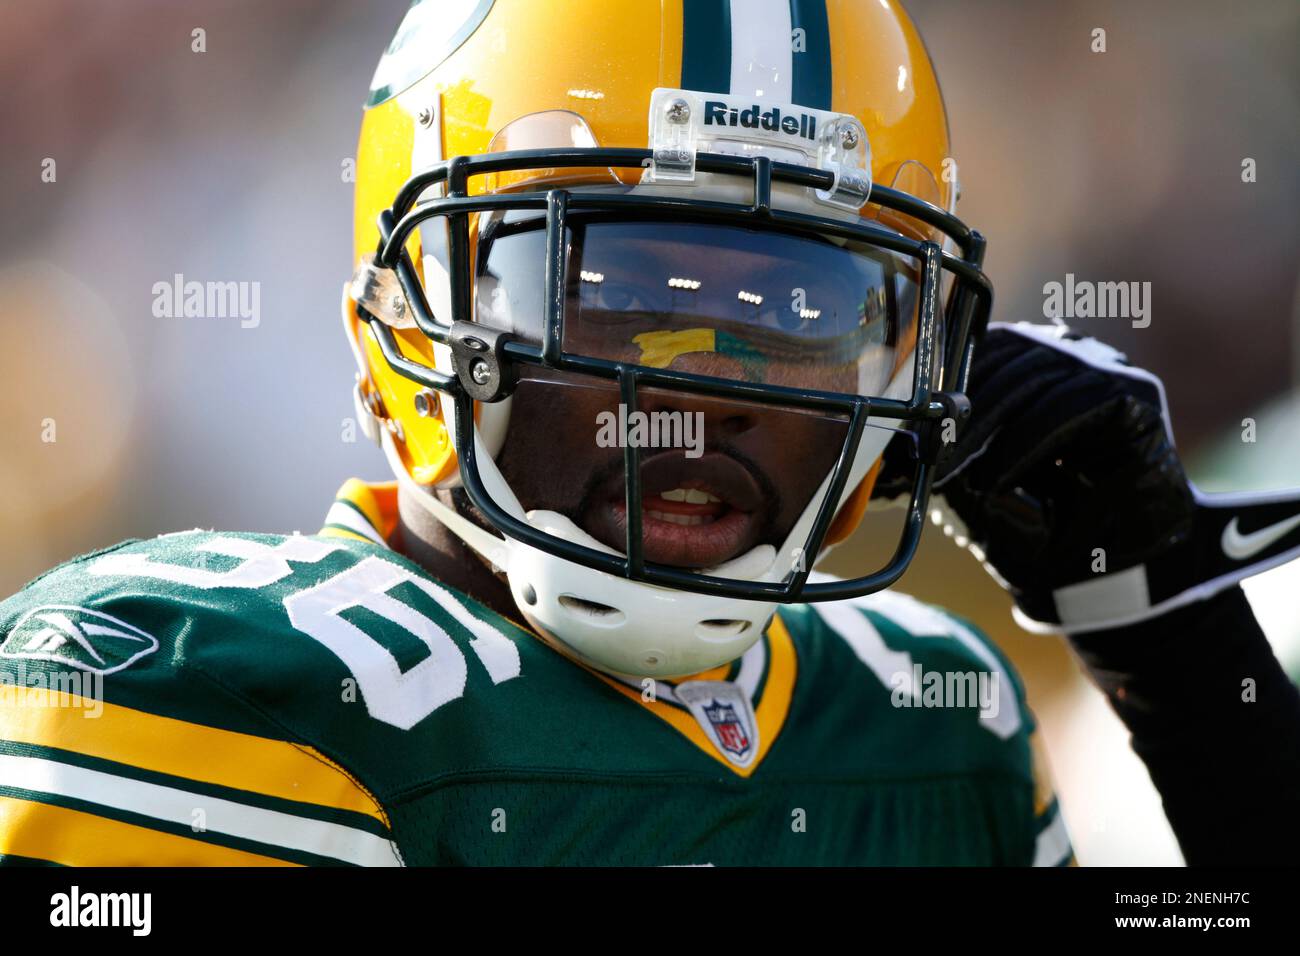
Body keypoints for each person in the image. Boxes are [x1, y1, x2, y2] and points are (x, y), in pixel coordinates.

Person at [1, 0, 1295, 866]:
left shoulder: (930, 731)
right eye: (621, 290)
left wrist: (1179, 661)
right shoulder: (204, 691)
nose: (714, 387)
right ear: (409, 323)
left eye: (799, 307)